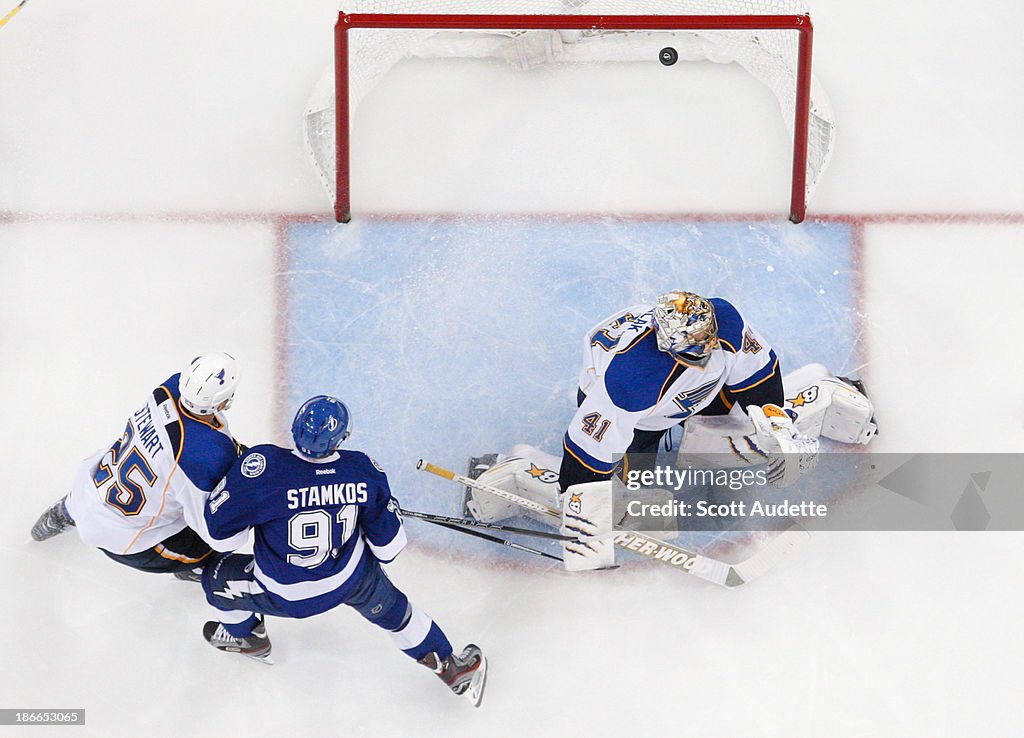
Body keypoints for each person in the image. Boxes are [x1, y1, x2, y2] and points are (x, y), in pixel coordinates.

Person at [465, 290, 876, 524]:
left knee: (756, 434)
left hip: (700, 391)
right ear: (665, 341)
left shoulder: (723, 322)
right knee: (622, 497)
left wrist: (775, 420)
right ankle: (516, 470)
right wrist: (581, 504)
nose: (705, 349)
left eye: (707, 339)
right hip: (642, 417)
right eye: (693, 346)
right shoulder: (630, 382)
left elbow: (760, 373)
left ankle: (820, 389)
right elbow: (585, 452)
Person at [199, 395, 488, 707]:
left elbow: (221, 536)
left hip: (286, 595)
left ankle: (250, 640)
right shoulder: (361, 469)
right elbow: (389, 549)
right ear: (339, 440)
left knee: (214, 580)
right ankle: (451, 668)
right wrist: (386, 511)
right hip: (353, 579)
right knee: (397, 614)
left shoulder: (264, 467)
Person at [30, 353, 248, 576]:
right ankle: (196, 569)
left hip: (87, 492)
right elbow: (218, 533)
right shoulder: (206, 455)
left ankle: (61, 516)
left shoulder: (169, 388)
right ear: (223, 400)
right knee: (214, 544)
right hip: (125, 540)